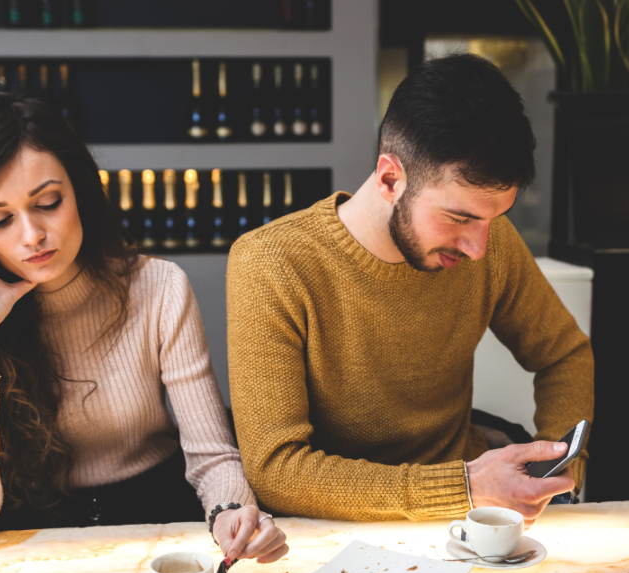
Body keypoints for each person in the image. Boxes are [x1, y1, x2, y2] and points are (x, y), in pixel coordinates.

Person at [0, 94, 288, 564]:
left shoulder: (158, 287)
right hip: (29, 546)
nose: (31, 235)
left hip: (154, 523)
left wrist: (232, 511)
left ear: (80, 192)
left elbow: (211, 454)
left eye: (48, 202)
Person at [226, 54, 594, 528]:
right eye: (460, 218)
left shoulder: (491, 243)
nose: (478, 248)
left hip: (472, 521)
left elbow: (564, 354)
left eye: (495, 218)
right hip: (331, 530)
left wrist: (558, 474)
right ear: (389, 179)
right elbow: (275, 468)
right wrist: (463, 486)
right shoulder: (271, 263)